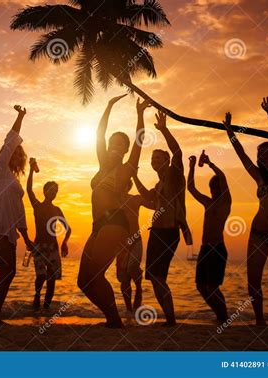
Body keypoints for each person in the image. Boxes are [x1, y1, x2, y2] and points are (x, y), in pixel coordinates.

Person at [77, 95, 150, 328]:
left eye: (121, 145)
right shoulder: (101, 166)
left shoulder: (125, 171)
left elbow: (139, 142)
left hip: (114, 224)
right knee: (83, 282)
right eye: (113, 144)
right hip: (97, 226)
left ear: (125, 150)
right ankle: (113, 319)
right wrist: (108, 106)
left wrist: (140, 115)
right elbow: (99, 134)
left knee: (95, 276)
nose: (115, 148)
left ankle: (114, 321)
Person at [222, 97, 268, 329]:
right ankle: (260, 321)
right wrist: (229, 132)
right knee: (253, 282)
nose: (261, 158)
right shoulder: (259, 177)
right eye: (259, 155)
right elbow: (241, 154)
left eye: (266, 154)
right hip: (258, 233)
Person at [133, 110, 192, 326]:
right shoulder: (159, 185)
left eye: (159, 158)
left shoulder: (174, 176)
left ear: (166, 161)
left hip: (168, 232)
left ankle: (171, 320)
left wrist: (164, 129)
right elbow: (148, 200)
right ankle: (170, 320)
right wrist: (133, 177)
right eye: (153, 158)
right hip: (157, 233)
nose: (155, 160)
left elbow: (178, 152)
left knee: (157, 277)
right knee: (155, 278)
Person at [0, 105, 34, 325]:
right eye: (16, 152)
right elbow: (9, 141)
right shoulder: (0, 171)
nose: (18, 155)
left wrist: (27, 237)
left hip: (8, 229)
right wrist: (20, 116)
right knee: (6, 272)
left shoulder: (12, 179)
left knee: (8, 272)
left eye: (19, 154)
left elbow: (19, 212)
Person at [187, 153, 231, 323]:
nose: (215, 191)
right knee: (201, 286)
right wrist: (191, 168)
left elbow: (222, 177)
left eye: (217, 188)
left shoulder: (225, 201)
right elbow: (190, 188)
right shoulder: (207, 202)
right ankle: (220, 315)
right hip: (205, 249)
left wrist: (210, 163)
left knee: (212, 287)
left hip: (217, 248)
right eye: (212, 188)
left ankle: (224, 317)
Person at [27, 160, 71, 309]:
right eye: (50, 190)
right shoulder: (37, 206)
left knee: (51, 279)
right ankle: (37, 297)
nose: (53, 193)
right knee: (41, 276)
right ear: (45, 191)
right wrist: (32, 170)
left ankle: (46, 308)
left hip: (53, 247)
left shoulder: (57, 210)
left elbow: (68, 229)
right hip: (38, 246)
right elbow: (29, 190)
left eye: (55, 191)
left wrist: (65, 242)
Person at [116, 179, 147, 313]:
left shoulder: (135, 199)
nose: (122, 187)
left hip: (135, 240)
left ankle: (139, 287)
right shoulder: (114, 201)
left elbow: (153, 204)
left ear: (129, 186)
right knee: (123, 278)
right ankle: (129, 309)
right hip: (120, 244)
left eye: (125, 185)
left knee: (132, 267)